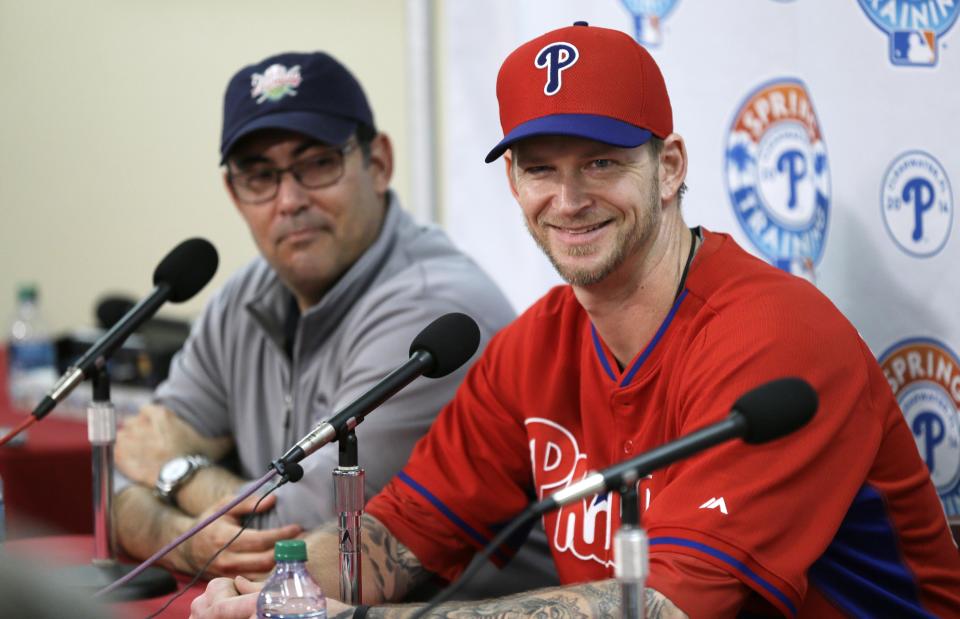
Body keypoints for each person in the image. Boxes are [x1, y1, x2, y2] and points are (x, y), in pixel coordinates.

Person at [191, 24, 960, 619]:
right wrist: (271, 590)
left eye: (600, 162)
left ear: (670, 168)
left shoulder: (775, 338)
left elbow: (659, 606)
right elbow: (398, 540)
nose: (567, 199)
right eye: (539, 168)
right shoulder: (536, 345)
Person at [111, 51, 547, 586]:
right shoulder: (243, 297)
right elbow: (119, 477)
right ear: (233, 192)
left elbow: (314, 546)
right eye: (259, 176)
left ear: (379, 163)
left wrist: (174, 473)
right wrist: (168, 533)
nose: (290, 200)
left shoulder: (433, 310)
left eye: (318, 163)